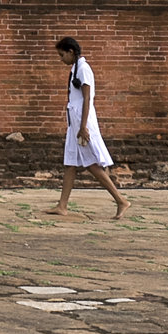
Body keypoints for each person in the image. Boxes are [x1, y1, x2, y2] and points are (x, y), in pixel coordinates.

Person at [43, 36, 129, 219]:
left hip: (82, 123)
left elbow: (87, 98)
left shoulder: (83, 68)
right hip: (75, 122)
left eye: (62, 55)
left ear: (71, 52)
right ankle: (62, 205)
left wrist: (83, 127)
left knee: (91, 164)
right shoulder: (76, 68)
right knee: (71, 163)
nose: (61, 59)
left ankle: (120, 200)